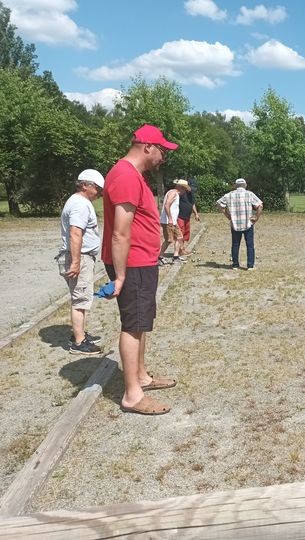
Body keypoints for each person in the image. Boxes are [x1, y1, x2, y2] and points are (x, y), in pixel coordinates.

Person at [102, 124, 179, 416]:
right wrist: (121, 276)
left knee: (141, 321)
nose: (163, 157)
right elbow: (120, 232)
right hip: (132, 264)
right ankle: (132, 395)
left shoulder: (134, 175)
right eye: (162, 151)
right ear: (147, 146)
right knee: (133, 324)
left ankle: (142, 377)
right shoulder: (124, 175)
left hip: (141, 262)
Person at [57, 169, 105, 355]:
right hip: (80, 256)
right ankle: (78, 342)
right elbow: (75, 233)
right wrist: (76, 262)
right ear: (85, 185)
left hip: (80, 256)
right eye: (97, 188)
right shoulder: (80, 204)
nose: (99, 193)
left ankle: (80, 333)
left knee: (80, 296)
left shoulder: (78, 202)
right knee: (81, 299)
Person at [216, 178, 263, 270]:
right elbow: (260, 205)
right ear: (245, 185)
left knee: (235, 244)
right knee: (250, 245)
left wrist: (227, 215)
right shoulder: (249, 194)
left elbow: (219, 203)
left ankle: (235, 265)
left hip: (235, 224)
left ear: (235, 185)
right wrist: (256, 217)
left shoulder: (229, 195)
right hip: (248, 223)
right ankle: (250, 265)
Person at [159, 179, 191, 264]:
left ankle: (175, 257)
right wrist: (170, 218)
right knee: (169, 240)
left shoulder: (174, 193)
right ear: (181, 187)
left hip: (172, 221)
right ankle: (159, 257)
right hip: (168, 221)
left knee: (179, 237)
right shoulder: (173, 193)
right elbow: (167, 205)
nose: (185, 191)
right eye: (184, 189)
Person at [177, 177, 200, 256]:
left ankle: (182, 249)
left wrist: (196, 214)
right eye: (191, 188)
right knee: (180, 234)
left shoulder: (191, 194)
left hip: (187, 217)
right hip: (180, 216)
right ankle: (180, 251)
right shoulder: (182, 192)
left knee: (186, 234)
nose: (192, 190)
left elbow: (192, 204)